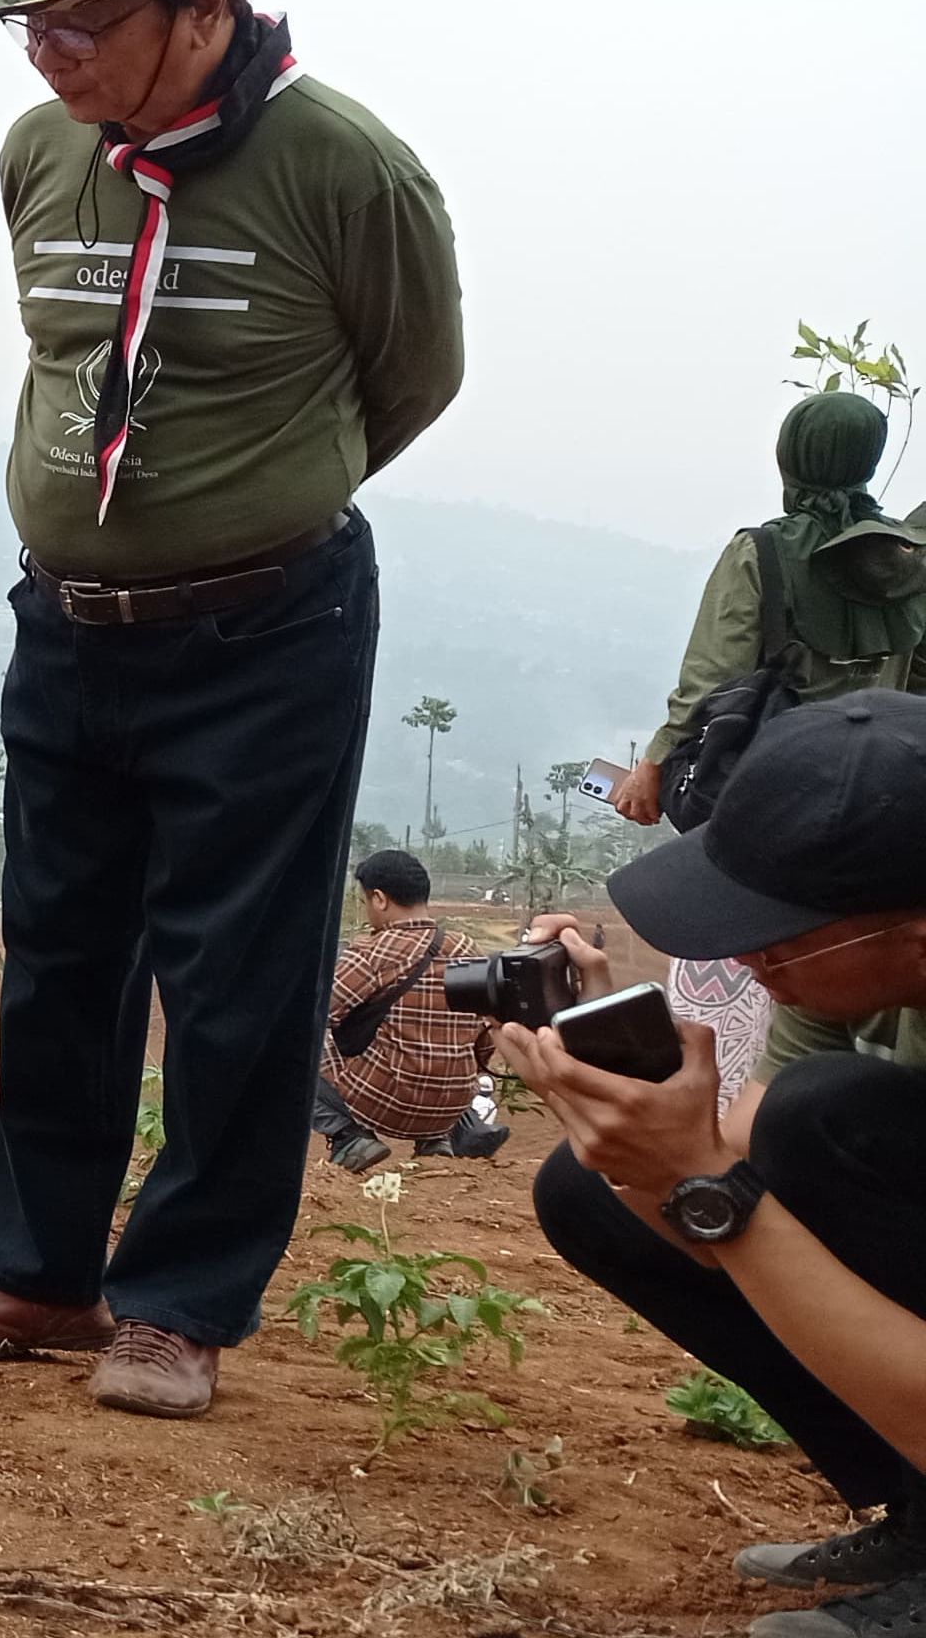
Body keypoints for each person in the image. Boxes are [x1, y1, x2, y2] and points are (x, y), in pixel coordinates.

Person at [0, 0, 463, 1420]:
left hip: (264, 632)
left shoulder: (347, 168)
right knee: (59, 953)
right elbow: (67, 357)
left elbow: (411, 380)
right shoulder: (40, 153)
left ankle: (181, 1304)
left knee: (237, 977)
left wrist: (251, 502)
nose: (49, 58)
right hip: (65, 622)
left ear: (202, 1)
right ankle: (36, 1278)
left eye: (80, 26)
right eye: (31, 28)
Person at [512, 692, 926, 1638]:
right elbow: (744, 1165)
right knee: (595, 1190)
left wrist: (707, 1189)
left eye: (773, 938)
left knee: (829, 1112)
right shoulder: (856, 969)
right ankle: (917, 1515)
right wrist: (631, 1086)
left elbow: (736, 1200)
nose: (743, 959)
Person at [610, 392, 926, 830]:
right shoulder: (908, 554)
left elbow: (710, 682)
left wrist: (654, 763)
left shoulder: (759, 553)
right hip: (878, 790)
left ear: (790, 457)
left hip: (779, 789)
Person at [308, 850, 503, 1174]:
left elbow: (317, 1014)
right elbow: (484, 1040)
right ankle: (435, 1142)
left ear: (380, 899)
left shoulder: (373, 951)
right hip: (450, 1108)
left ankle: (350, 1137)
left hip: (386, 1103)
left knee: (297, 1048)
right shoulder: (468, 949)